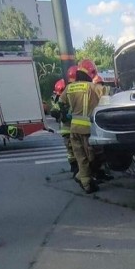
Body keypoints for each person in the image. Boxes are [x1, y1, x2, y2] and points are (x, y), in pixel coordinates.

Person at [59, 59, 101, 194]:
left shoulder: (69, 88)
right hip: (88, 130)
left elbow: (60, 104)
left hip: (73, 130)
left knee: (81, 157)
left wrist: (65, 114)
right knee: (93, 157)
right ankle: (86, 183)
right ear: (90, 72)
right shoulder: (93, 87)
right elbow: (110, 95)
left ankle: (82, 179)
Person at [50, 76, 78, 177]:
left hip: (70, 128)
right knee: (73, 150)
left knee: (72, 150)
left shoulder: (61, 97)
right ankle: (75, 168)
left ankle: (75, 167)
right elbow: (55, 111)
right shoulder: (61, 99)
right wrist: (62, 114)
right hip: (68, 128)